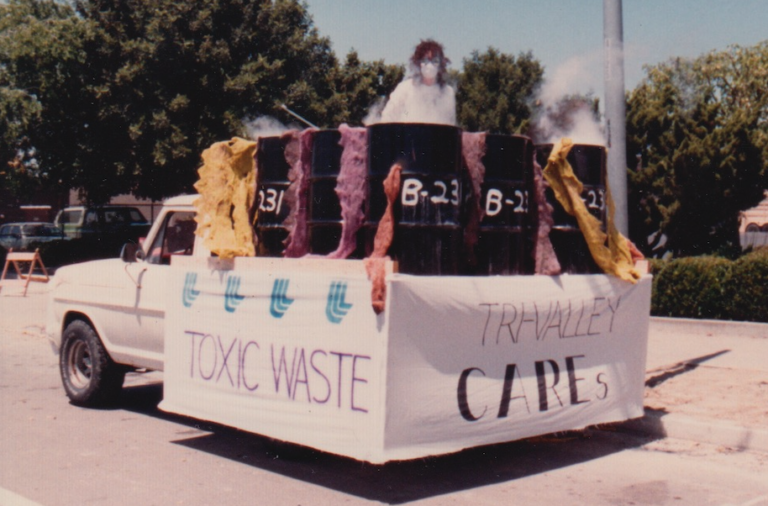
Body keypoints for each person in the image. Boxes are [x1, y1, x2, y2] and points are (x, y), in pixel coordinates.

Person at [380, 39, 456, 125]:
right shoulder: (404, 88)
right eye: (425, 61)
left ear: (441, 64)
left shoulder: (448, 92)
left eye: (435, 61)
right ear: (418, 63)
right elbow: (387, 117)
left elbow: (450, 124)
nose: (429, 65)